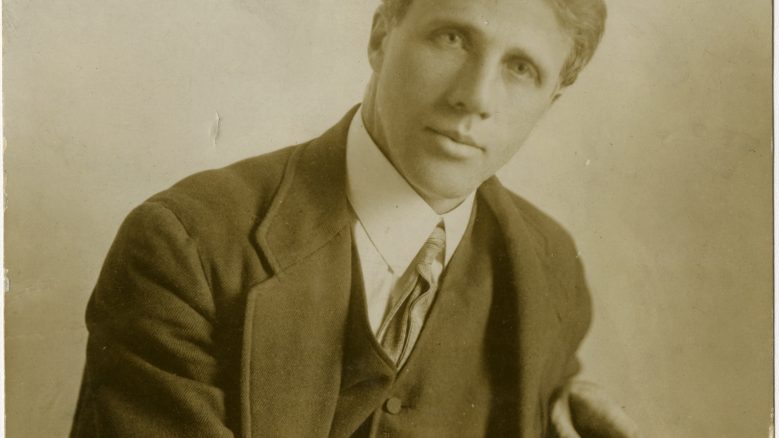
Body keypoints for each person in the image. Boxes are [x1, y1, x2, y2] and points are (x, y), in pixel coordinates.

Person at [71, 0, 640, 436]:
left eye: (521, 68)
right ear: (380, 36)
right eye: (453, 38)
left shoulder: (549, 265)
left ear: (552, 99)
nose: (475, 96)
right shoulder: (185, 245)